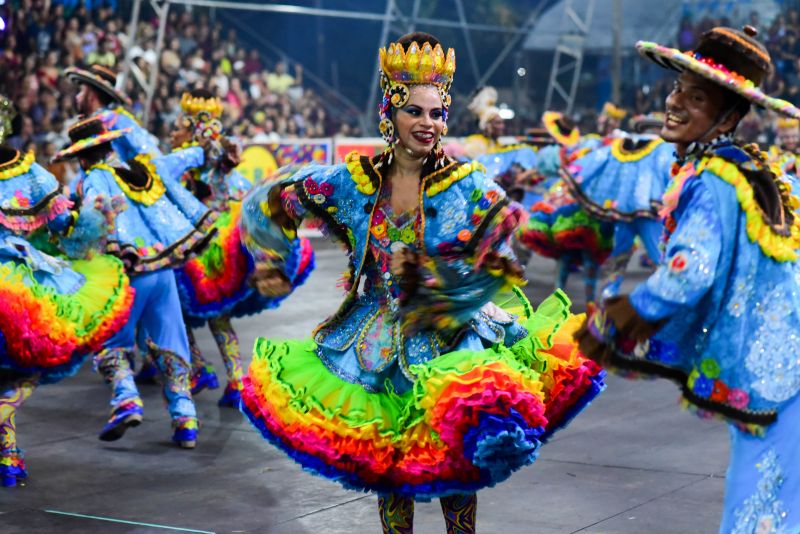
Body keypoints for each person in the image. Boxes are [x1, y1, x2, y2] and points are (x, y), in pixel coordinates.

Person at [239, 32, 605, 533]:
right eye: (414, 112)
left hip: (455, 344)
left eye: (436, 113)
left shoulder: (468, 183)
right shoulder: (351, 182)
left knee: (458, 468)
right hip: (375, 346)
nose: (427, 124)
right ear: (388, 115)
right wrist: (269, 261)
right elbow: (272, 199)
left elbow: (500, 256)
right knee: (392, 473)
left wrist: (455, 285)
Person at [577, 26, 800, 532]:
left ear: (729, 115)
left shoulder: (715, 176)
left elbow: (687, 273)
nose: (675, 103)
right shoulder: (751, 167)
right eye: (677, 88)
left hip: (773, 374)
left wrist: (628, 316)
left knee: (757, 513)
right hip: (787, 364)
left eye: (695, 97)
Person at [52, 117, 218, 449]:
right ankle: (185, 419)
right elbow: (180, 160)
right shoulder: (144, 169)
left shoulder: (97, 177)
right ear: (110, 145)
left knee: (111, 339)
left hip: (128, 274)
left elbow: (93, 219)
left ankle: (127, 400)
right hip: (163, 270)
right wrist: (203, 149)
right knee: (170, 339)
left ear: (84, 157)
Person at [0, 97, 133, 487]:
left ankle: (9, 454)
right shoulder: (27, 172)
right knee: (27, 366)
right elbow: (65, 227)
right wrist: (98, 222)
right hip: (18, 283)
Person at [169, 89, 314, 405]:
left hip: (208, 247)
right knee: (214, 316)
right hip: (211, 242)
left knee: (175, 311)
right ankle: (233, 380)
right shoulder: (203, 159)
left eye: (178, 126)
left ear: (194, 128)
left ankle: (199, 369)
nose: (172, 132)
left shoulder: (198, 161)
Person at [559, 113, 673, 297]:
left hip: (621, 213)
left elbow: (594, 163)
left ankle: (607, 298)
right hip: (648, 213)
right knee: (658, 255)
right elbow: (671, 174)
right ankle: (667, 297)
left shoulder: (618, 146)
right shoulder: (663, 148)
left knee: (618, 256)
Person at [64, 64, 161, 160]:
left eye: (81, 91)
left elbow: (151, 155)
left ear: (91, 96)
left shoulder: (117, 120)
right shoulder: (87, 125)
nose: (77, 97)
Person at [463, 86, 505, 158]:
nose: (502, 126)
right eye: (498, 123)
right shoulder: (474, 144)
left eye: (502, 122)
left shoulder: (499, 144)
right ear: (487, 125)